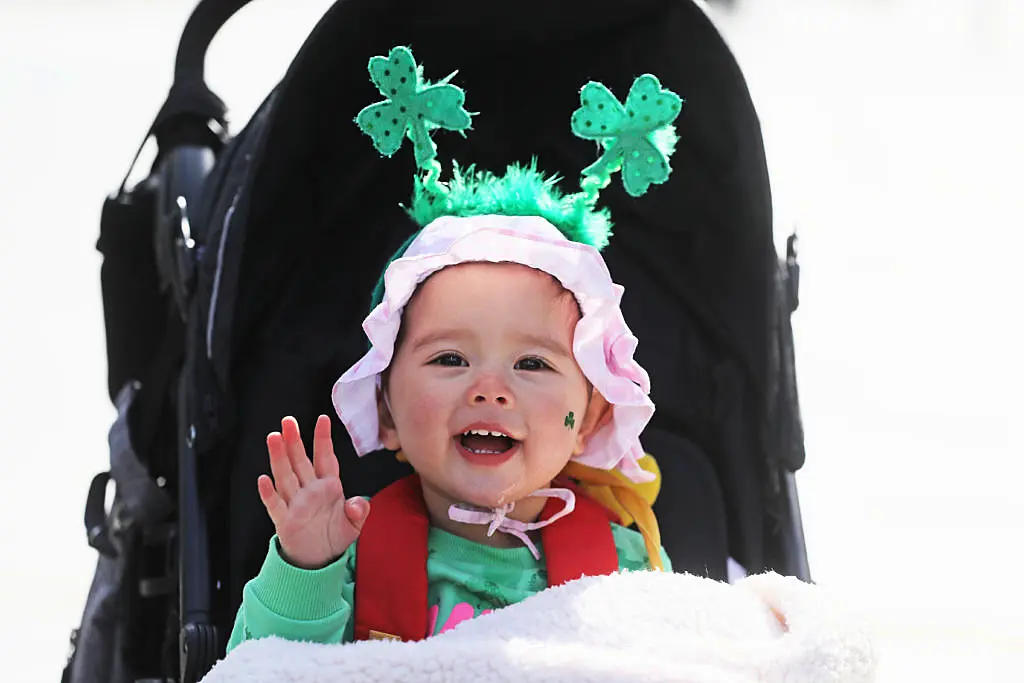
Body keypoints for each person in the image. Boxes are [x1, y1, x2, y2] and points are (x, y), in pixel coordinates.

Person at [227, 44, 684, 649]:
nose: (489, 387)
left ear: (591, 418)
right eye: (449, 359)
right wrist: (305, 569)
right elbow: (265, 670)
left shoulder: (628, 567)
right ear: (385, 408)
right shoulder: (348, 555)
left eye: (531, 363)